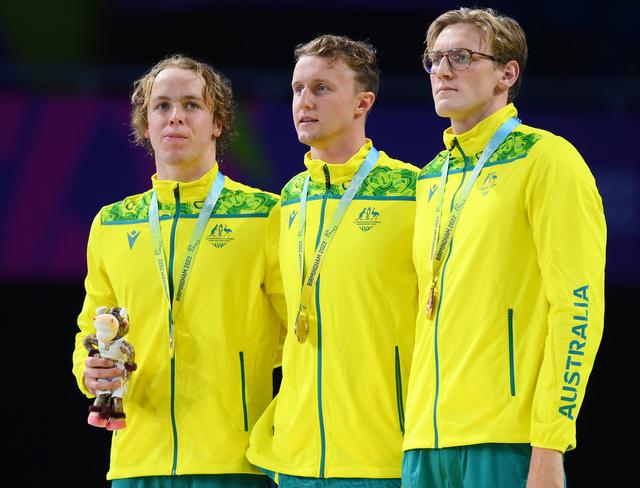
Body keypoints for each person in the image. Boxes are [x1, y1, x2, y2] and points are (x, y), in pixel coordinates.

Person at [401, 7, 606, 488]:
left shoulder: (547, 159)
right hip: (424, 443)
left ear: (507, 73)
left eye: (461, 56)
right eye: (434, 59)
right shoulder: (431, 176)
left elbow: (577, 306)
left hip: (505, 440)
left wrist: (550, 442)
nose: (443, 70)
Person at [72, 54, 285, 487]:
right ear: (145, 125)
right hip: (137, 462)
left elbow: (296, 336)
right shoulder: (112, 223)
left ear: (218, 122)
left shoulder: (265, 215)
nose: (176, 118)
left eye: (192, 105)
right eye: (162, 106)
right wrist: (88, 370)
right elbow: (91, 330)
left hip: (235, 460)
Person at [246, 35, 419, 487]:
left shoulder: (415, 191)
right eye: (297, 89)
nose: (304, 101)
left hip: (386, 457)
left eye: (321, 88)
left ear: (363, 103)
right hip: (297, 460)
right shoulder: (287, 201)